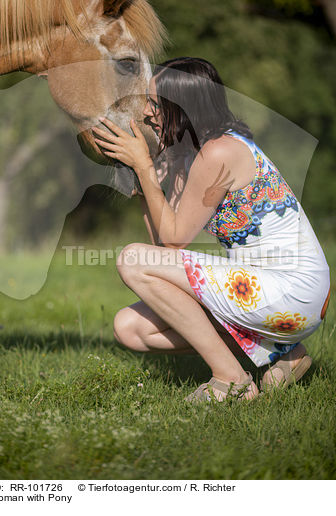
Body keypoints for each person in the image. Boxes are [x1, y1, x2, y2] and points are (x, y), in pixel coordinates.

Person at [92, 57, 330, 402]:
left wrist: (143, 165)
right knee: (130, 329)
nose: (147, 112)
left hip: (293, 290)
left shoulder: (220, 151)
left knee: (130, 258)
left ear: (183, 107)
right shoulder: (192, 157)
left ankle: (231, 379)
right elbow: (166, 250)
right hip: (268, 291)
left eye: (155, 103)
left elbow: (171, 241)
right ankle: (283, 352)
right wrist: (145, 183)